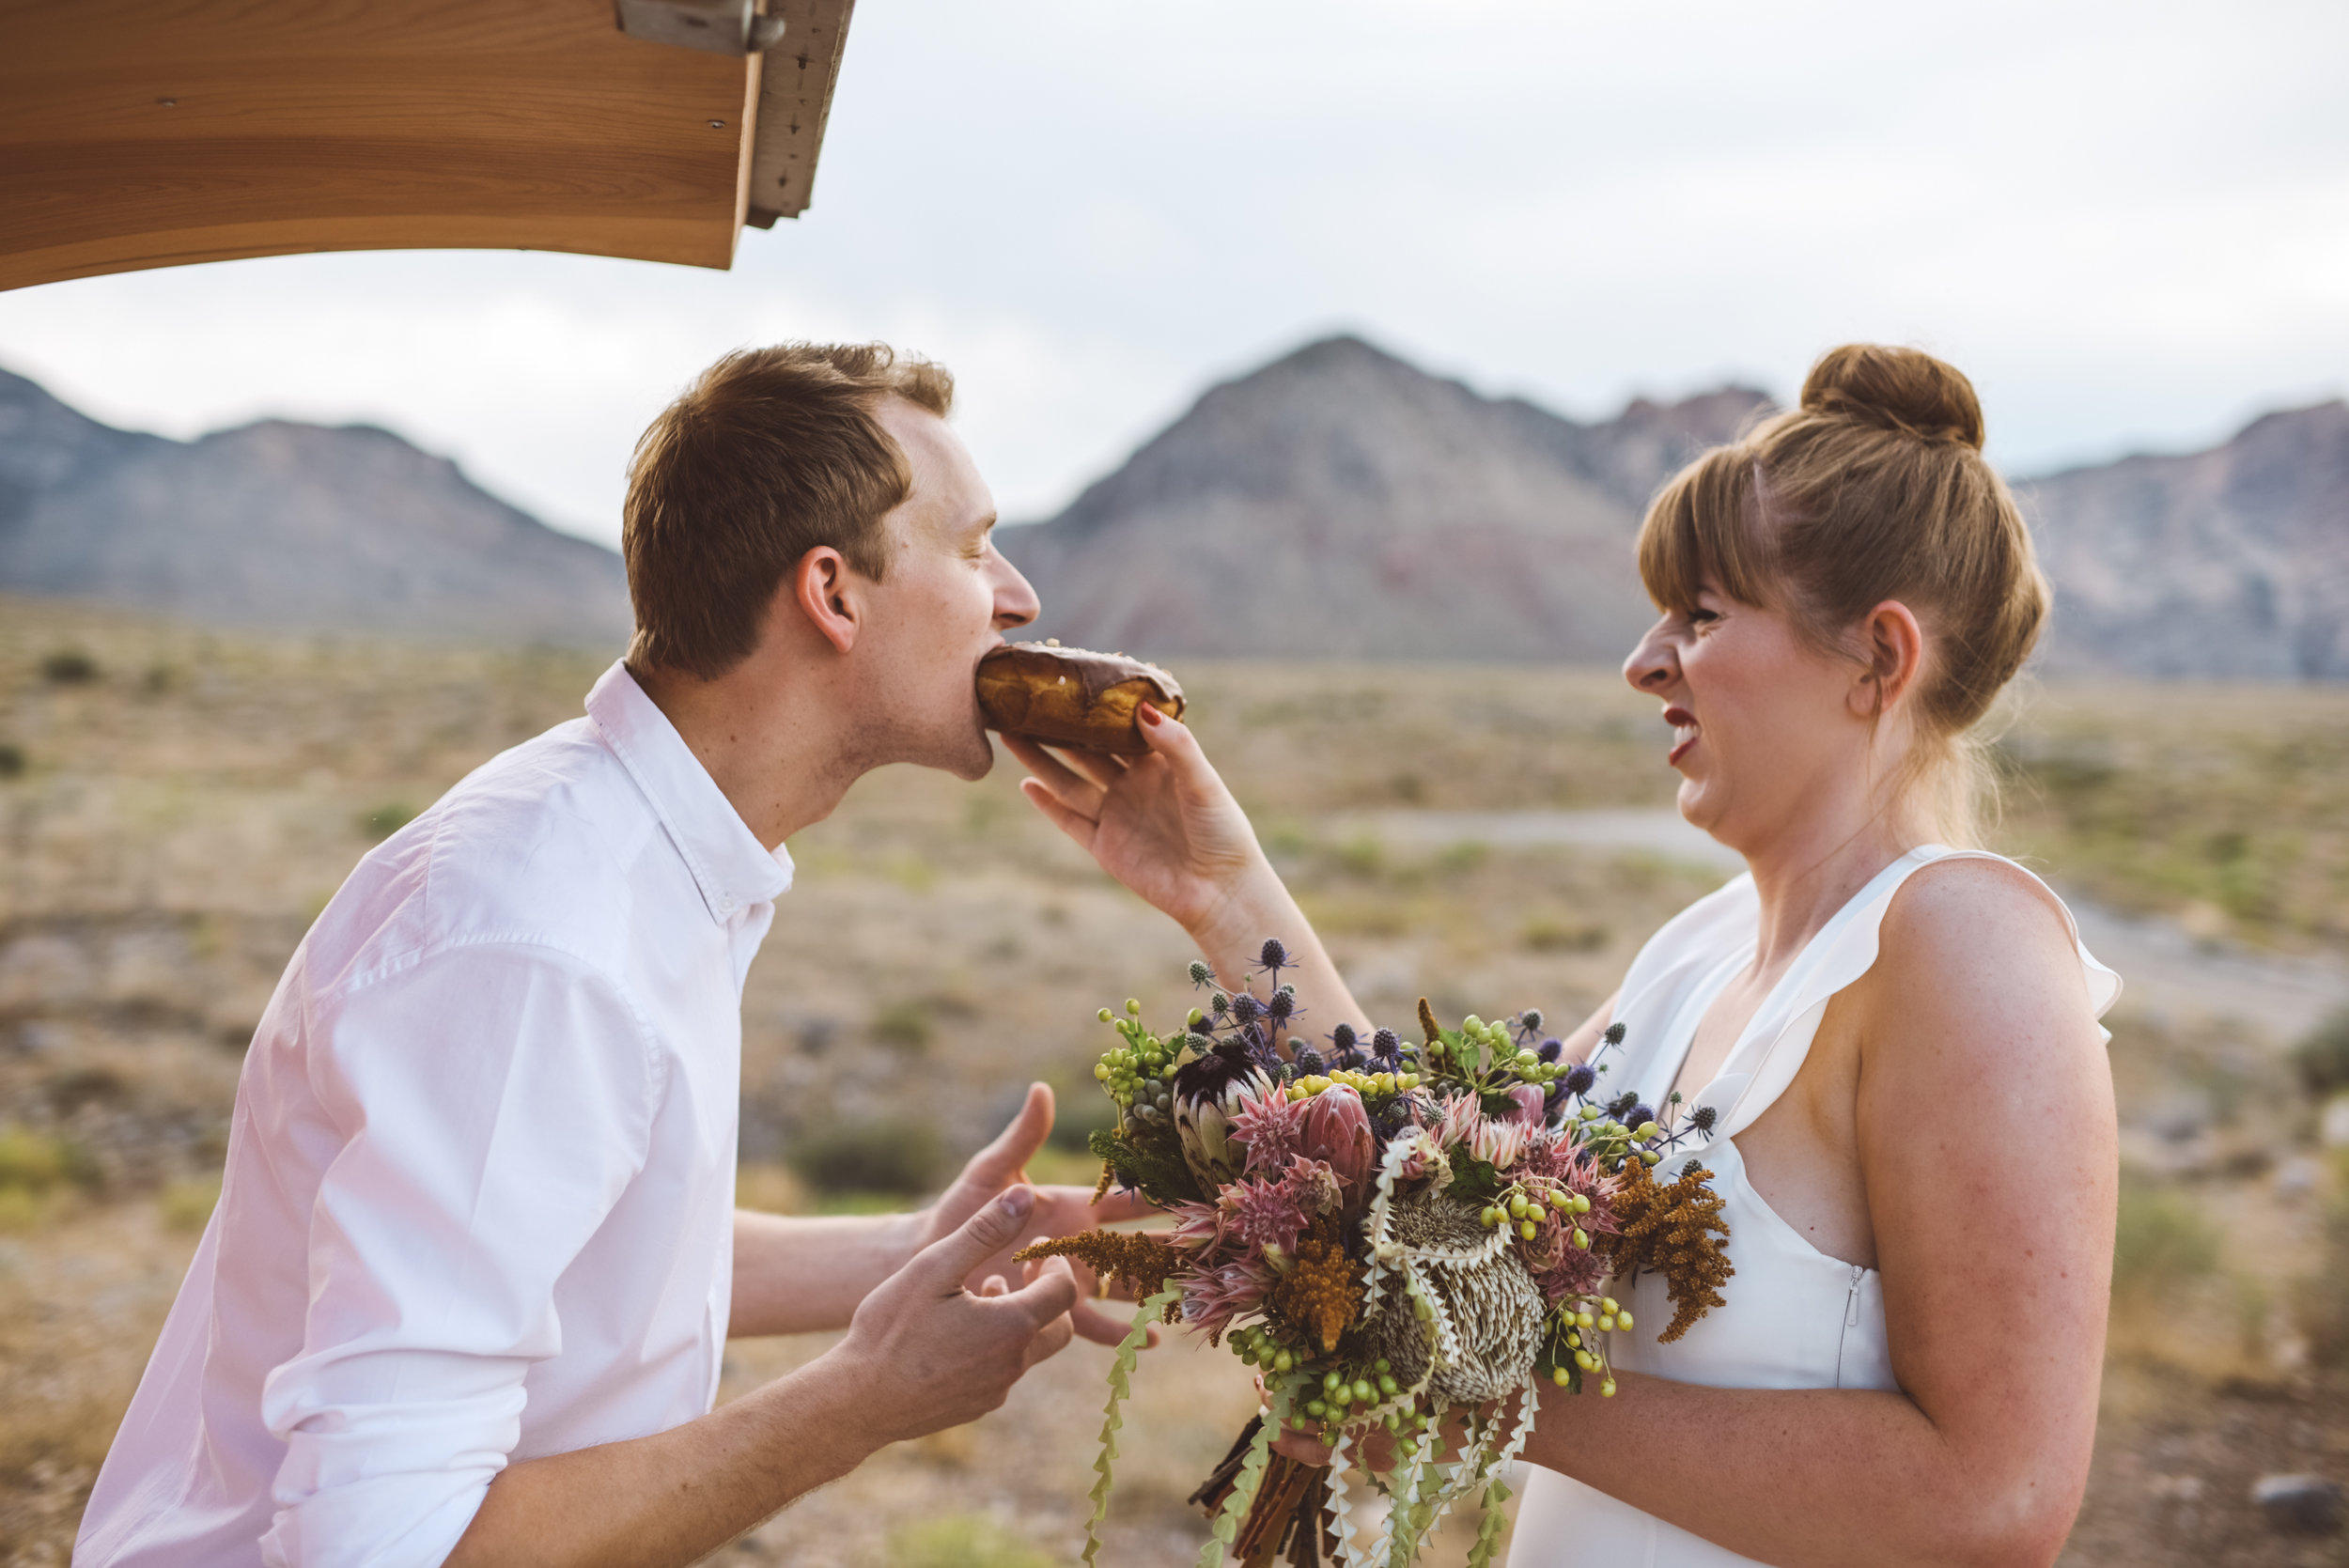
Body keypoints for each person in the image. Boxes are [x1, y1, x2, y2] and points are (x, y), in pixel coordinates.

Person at [1010, 344, 2121, 1566]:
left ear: (1881, 658)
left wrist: (1491, 1394)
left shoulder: (1962, 943)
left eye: (1701, 615)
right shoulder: (1702, 949)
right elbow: (1434, 1189)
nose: (1645, 662)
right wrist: (1227, 898)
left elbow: (1995, 1498)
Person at [77, 344, 1149, 1568]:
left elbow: (577, 1249)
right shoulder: (541, 942)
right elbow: (381, 1548)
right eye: (971, 547)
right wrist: (861, 1398)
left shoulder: (651, 854)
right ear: (833, 593)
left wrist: (916, 1251)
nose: (1015, 596)